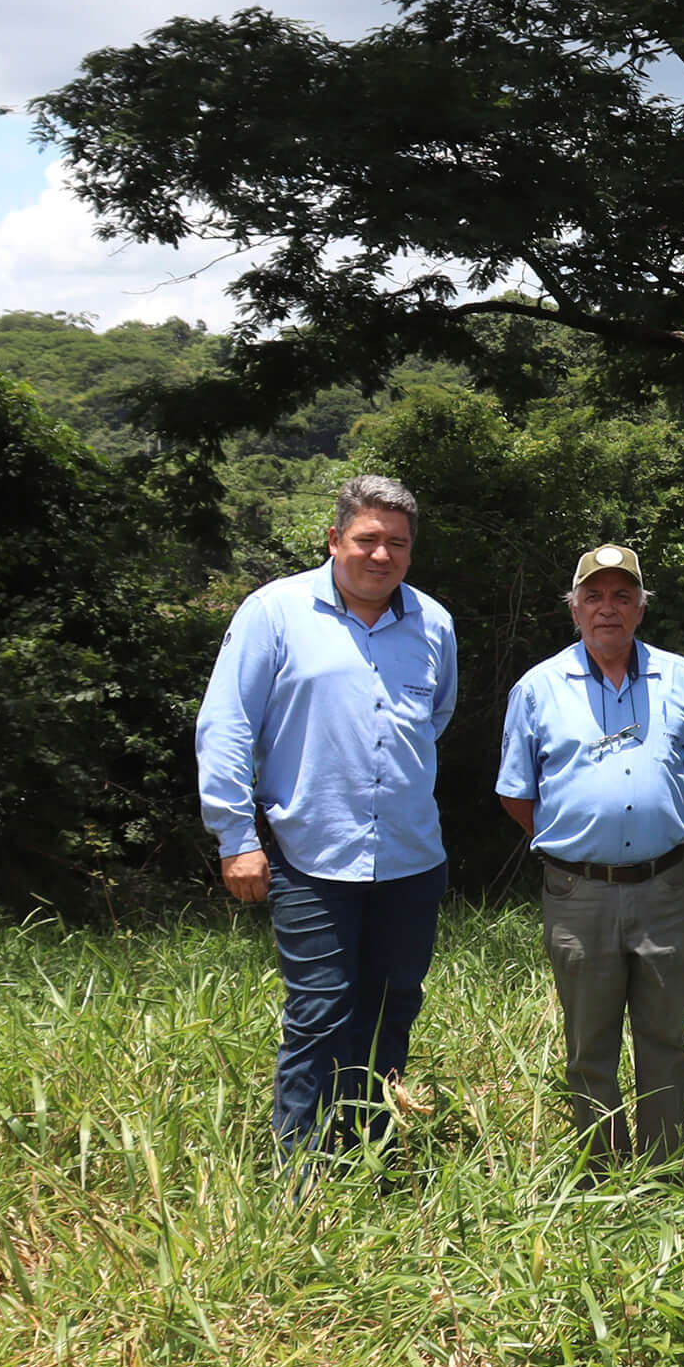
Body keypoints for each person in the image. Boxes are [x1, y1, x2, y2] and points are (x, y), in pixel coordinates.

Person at [194, 472, 458, 1156]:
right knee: (319, 1012)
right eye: (367, 539)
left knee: (393, 1006)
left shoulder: (434, 623)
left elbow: (435, 719)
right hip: (309, 854)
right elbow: (226, 724)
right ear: (335, 538)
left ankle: (370, 1151)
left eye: (397, 543)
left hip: (410, 856)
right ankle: (301, 1177)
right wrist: (234, 836)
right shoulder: (274, 612)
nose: (382, 555)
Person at [495, 543, 684, 1163]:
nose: (608, 609)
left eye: (623, 596)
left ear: (641, 608)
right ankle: (600, 1169)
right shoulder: (538, 688)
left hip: (665, 888)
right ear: (574, 609)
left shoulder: (681, 679)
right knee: (589, 1041)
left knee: (665, 1038)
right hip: (578, 893)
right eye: (593, 596)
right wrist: (580, 839)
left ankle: (663, 1166)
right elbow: (518, 795)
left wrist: (652, 820)